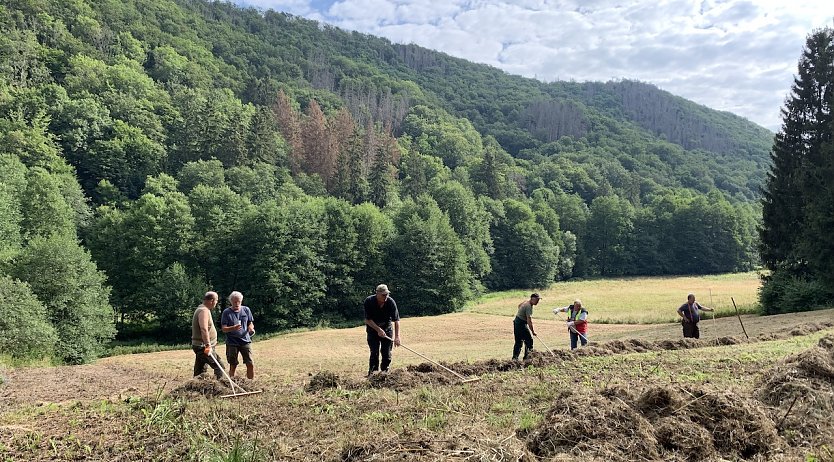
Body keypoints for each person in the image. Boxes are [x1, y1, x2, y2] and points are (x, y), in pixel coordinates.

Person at [364, 284, 400, 377]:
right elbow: (368, 320)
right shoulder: (369, 301)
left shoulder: (391, 302)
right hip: (373, 330)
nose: (386, 297)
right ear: (377, 294)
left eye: (387, 294)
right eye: (383, 295)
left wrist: (397, 337)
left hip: (387, 329)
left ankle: (384, 373)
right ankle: (373, 374)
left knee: (386, 353)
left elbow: (396, 320)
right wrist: (378, 329)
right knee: (374, 352)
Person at [221, 291, 255, 379]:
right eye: (234, 302)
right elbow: (224, 329)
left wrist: (250, 327)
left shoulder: (246, 310)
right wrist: (233, 328)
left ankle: (251, 383)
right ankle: (233, 383)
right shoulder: (226, 312)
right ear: (231, 302)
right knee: (233, 364)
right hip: (232, 342)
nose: (237, 304)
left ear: (241, 301)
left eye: (238, 301)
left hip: (245, 341)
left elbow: (250, 322)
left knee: (250, 363)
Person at [191, 291, 225, 379]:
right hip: (203, 346)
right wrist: (208, 345)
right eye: (216, 301)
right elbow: (204, 329)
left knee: (200, 370)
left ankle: (195, 387)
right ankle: (221, 388)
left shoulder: (202, 309)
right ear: (212, 300)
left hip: (201, 346)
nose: (216, 303)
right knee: (219, 366)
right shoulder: (203, 311)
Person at [512, 293, 541, 361]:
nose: (537, 302)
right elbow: (529, 320)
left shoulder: (526, 302)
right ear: (532, 299)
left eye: (538, 300)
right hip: (521, 323)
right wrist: (533, 331)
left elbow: (519, 306)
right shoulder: (528, 306)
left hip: (517, 322)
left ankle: (515, 358)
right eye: (537, 300)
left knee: (518, 341)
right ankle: (527, 358)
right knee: (529, 341)